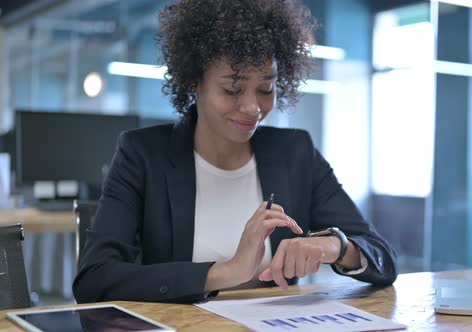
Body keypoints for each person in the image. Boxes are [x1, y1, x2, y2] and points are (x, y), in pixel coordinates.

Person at [73, 0, 398, 304]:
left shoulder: (295, 152)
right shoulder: (143, 155)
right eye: (232, 89)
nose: (252, 108)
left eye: (265, 88)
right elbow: (94, 279)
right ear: (193, 82)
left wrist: (335, 246)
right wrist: (225, 272)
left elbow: (381, 257)